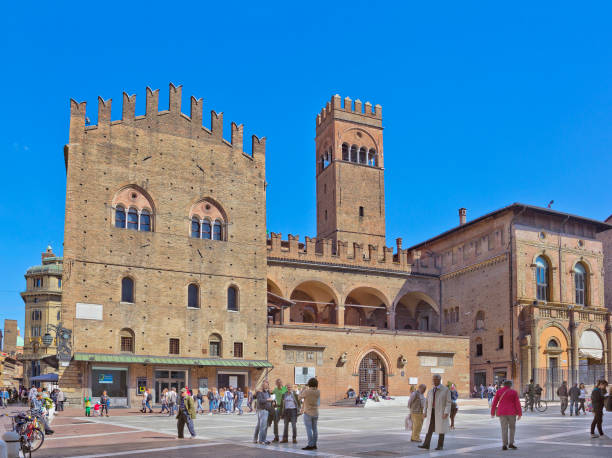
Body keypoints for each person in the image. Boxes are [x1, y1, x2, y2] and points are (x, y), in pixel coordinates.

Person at [418, 374, 451, 451]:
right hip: (431, 412)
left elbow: (448, 402)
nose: (435, 381)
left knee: (441, 429)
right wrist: (424, 412)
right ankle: (426, 444)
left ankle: (440, 445)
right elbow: (426, 403)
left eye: (436, 379)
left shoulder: (445, 390)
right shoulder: (430, 391)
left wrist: (446, 412)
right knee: (429, 428)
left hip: (441, 412)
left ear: (440, 380)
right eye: (434, 379)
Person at [491, 379, 522, 450]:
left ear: (504, 385)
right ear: (510, 385)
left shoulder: (499, 391)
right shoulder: (514, 392)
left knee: (504, 429)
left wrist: (492, 413)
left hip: (502, 413)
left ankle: (504, 445)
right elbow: (517, 403)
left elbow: (494, 403)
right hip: (512, 413)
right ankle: (511, 443)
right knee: (512, 428)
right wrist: (520, 413)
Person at [299, 377, 320, 451]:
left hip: (308, 412)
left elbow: (299, 397)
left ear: (309, 384)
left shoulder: (307, 391)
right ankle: (314, 444)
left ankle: (310, 444)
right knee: (315, 429)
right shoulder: (318, 391)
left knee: (309, 429)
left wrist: (302, 390)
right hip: (315, 413)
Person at [254, 380, 273, 445]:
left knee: (259, 425)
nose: (266, 386)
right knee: (263, 426)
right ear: (262, 385)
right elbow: (260, 400)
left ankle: (255, 439)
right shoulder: (260, 392)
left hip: (267, 410)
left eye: (267, 385)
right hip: (262, 410)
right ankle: (262, 440)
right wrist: (268, 400)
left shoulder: (267, 392)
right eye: (264, 385)